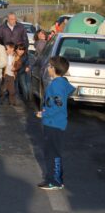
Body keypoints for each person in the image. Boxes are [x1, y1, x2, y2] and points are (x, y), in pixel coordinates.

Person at [36, 56, 74, 190]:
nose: (47, 68)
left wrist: (44, 113)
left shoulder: (56, 85)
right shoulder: (62, 82)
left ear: (54, 69)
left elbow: (57, 105)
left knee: (52, 153)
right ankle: (57, 179)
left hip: (53, 123)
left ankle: (53, 181)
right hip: (57, 123)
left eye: (49, 66)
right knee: (55, 152)